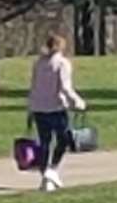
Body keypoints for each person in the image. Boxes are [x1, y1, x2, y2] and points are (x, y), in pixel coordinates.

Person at [27, 32, 86, 192]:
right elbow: (65, 87)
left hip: (39, 107)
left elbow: (33, 86)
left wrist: (30, 107)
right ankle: (51, 170)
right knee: (63, 140)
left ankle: (46, 177)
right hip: (56, 107)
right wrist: (78, 101)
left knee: (45, 142)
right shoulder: (62, 63)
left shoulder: (38, 63)